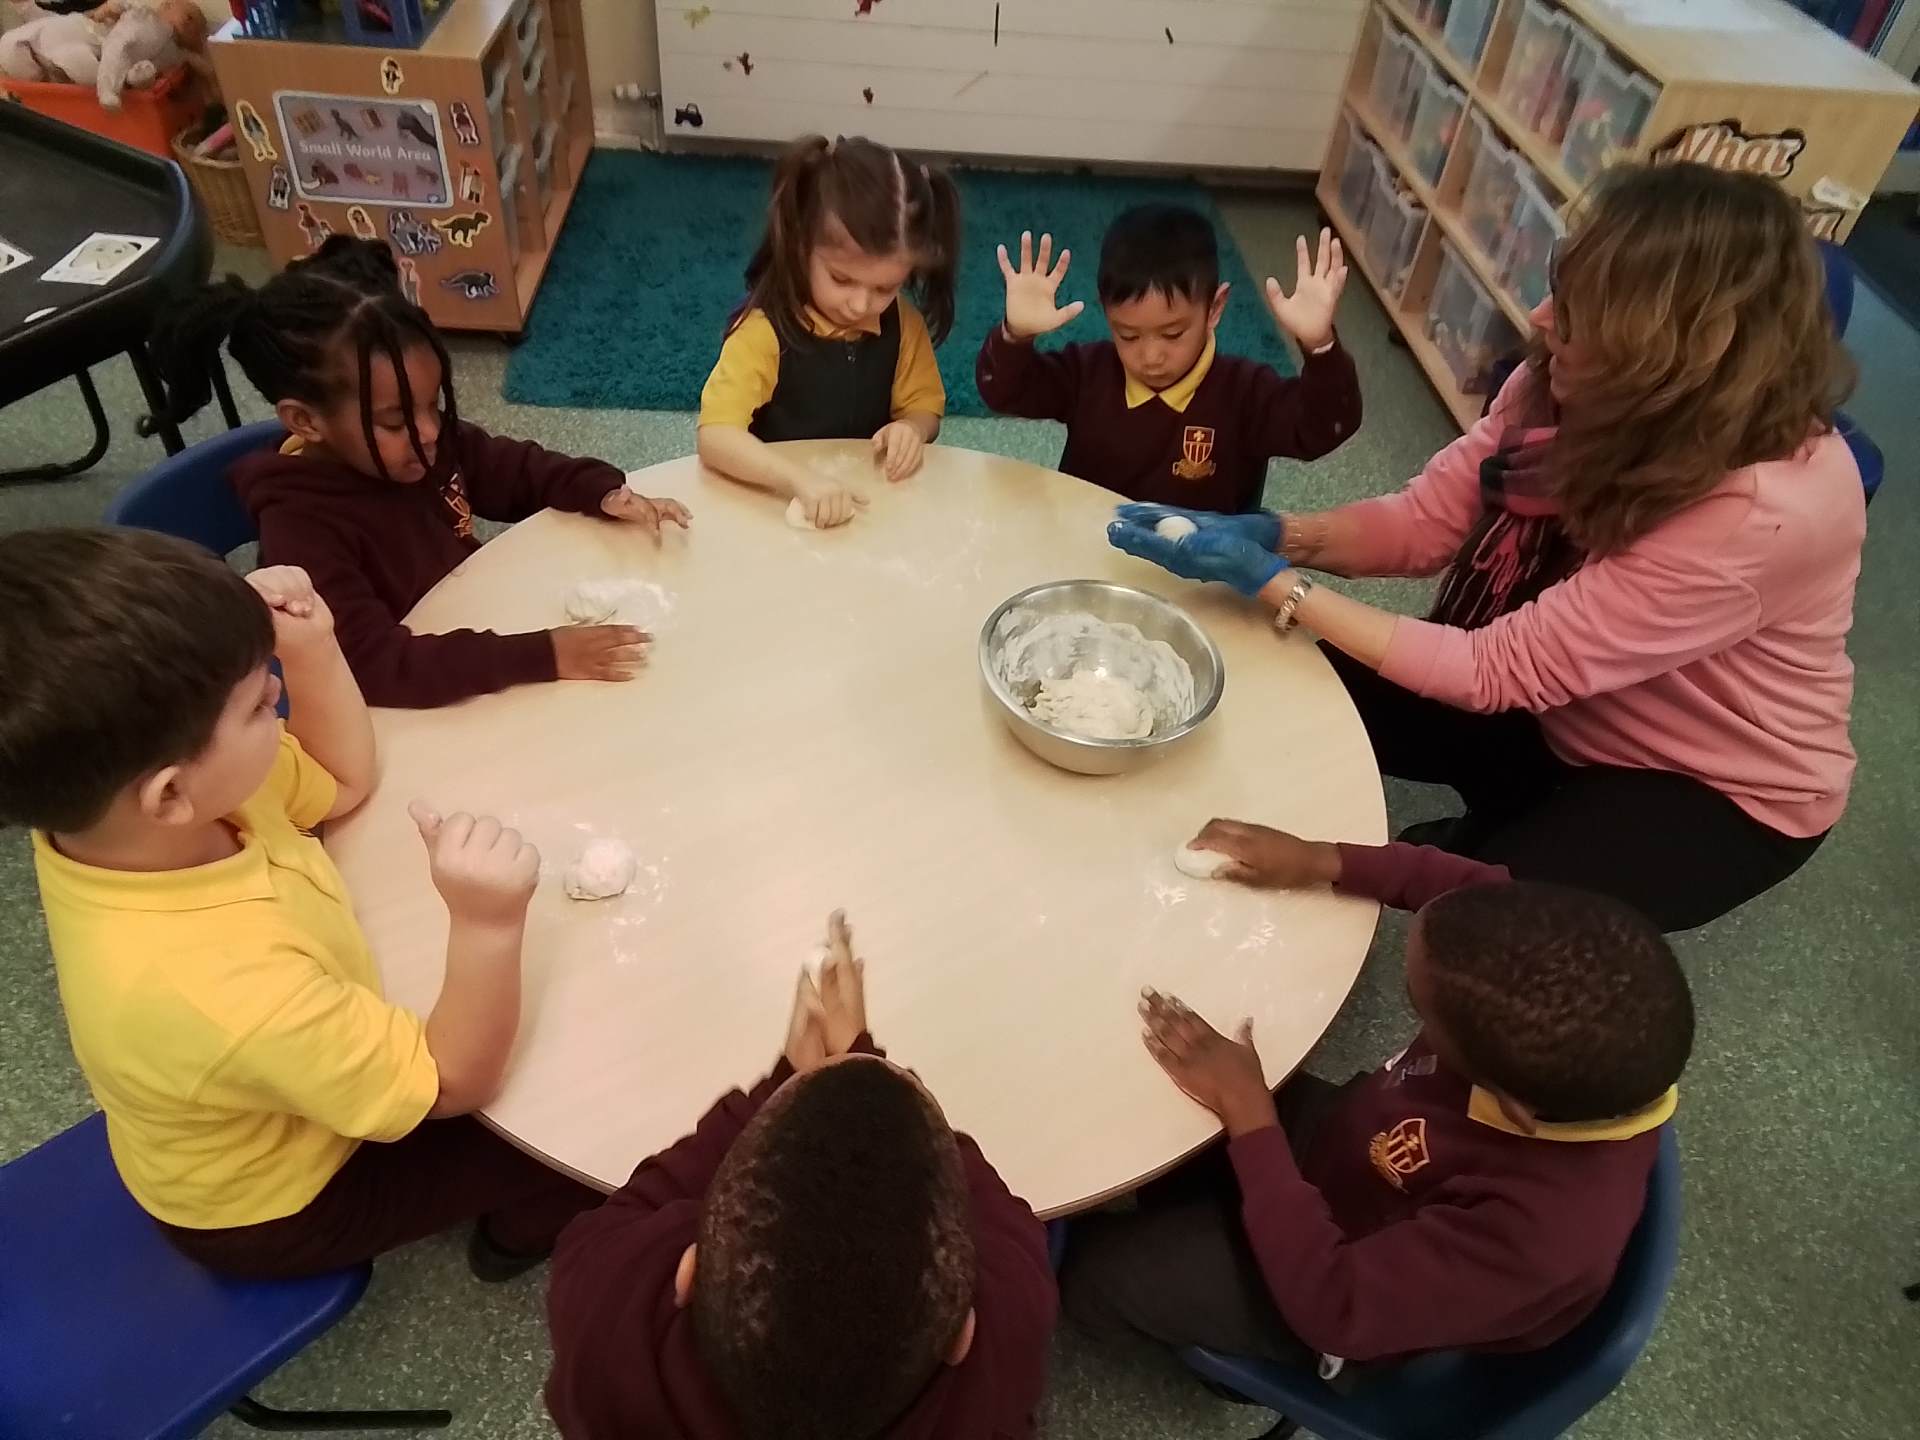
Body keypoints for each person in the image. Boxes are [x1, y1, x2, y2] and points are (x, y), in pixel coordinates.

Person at [1106, 162, 1862, 931]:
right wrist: (1282, 535)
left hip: (1702, 785)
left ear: (1665, 357)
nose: (1540, 317)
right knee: (1287, 676)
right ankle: (1494, 826)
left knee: (1489, 926)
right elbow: (1426, 520)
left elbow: (1494, 670)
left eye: (1577, 315)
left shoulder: (1765, 511)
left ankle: (1490, 845)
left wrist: (1278, 585)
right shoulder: (1558, 388)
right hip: (1564, 701)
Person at [0, 529, 600, 1280]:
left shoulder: (130, 820)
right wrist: (487, 925)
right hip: (284, 1207)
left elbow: (341, 781)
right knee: (574, 1119)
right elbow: (451, 1082)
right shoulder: (217, 989)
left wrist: (311, 653)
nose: (279, 708)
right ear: (170, 794)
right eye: (261, 704)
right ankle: (514, 1236)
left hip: (267, 1087)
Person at [1063, 820, 1692, 1372]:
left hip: (1340, 1285)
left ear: (1512, 1106)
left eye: (1421, 1007)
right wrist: (1321, 860)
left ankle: (1220, 1362)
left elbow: (1337, 1308)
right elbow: (1462, 891)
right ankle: (1199, 1207)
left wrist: (1250, 1113)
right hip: (1350, 1153)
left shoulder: (1538, 1240)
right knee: (1158, 1103)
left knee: (1094, 1274)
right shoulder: (1536, 981)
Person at [545, 912, 1056, 1440]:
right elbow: (1007, 1220)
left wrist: (789, 1077)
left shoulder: (607, 1313)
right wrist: (862, 1056)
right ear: (963, 1337)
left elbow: (641, 1202)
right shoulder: (1006, 1346)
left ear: (689, 1273)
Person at [148, 236, 691, 710]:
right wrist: (542, 654)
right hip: (407, 708)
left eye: (434, 404)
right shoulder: (302, 529)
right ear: (306, 422)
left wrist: (600, 490)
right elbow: (374, 666)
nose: (431, 431)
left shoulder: (421, 443)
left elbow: (515, 470)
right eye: (395, 420)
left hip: (469, 633)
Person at [975, 206, 1362, 512]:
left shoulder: (1245, 392)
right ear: (1106, 312)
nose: (1151, 356)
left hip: (1197, 574)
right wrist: (1015, 336)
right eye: (1128, 335)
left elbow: (1326, 428)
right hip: (1090, 549)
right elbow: (1004, 393)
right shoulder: (1087, 372)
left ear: (1215, 308)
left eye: (1173, 334)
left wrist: (1321, 347)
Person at [696, 134, 959, 528]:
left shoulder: (904, 325)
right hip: (775, 507)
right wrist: (797, 479)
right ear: (800, 245)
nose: (860, 304)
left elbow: (924, 407)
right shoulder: (764, 330)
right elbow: (716, 435)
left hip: (868, 509)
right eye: (841, 279)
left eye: (885, 288)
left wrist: (912, 429)